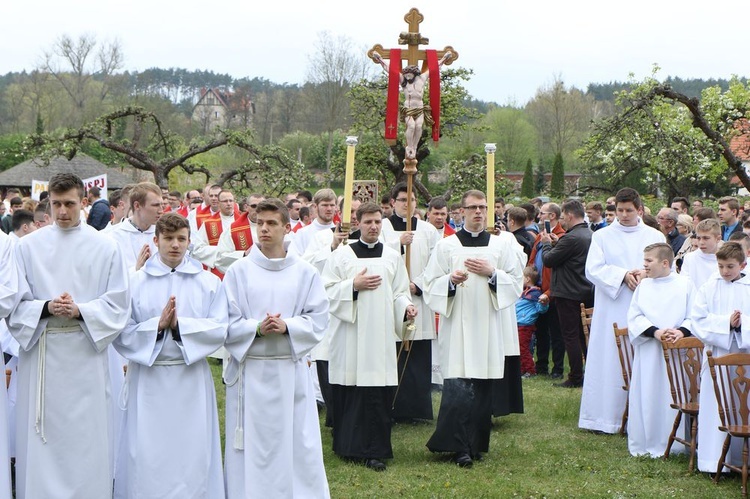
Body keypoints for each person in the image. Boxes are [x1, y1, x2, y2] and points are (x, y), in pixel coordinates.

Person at [8, 173, 130, 498]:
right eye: (57, 204)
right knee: (43, 436)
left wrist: (81, 311)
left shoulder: (106, 247)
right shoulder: (28, 247)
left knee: (85, 438)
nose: (63, 212)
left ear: (84, 202)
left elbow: (118, 304)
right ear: (49, 201)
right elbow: (15, 305)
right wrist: (47, 307)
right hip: (43, 352)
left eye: (70, 204)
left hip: (85, 354)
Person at [113, 213, 226, 499]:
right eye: (168, 239)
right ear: (156, 240)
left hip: (190, 378)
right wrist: (157, 326)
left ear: (190, 241)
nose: (175, 245)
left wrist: (180, 327)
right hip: (149, 378)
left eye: (181, 239)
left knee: (192, 448)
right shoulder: (135, 283)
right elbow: (121, 332)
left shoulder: (208, 283)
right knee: (148, 450)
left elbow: (220, 328)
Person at [223, 198, 330, 498]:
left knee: (297, 443)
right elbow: (226, 323)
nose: (264, 229)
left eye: (272, 224)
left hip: (289, 371)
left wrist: (289, 327)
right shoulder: (238, 272)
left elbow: (318, 319)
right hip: (251, 373)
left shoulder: (305, 272)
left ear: (287, 228)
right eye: (260, 223)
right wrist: (256, 328)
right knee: (253, 448)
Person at [423, 190, 525, 467]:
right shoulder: (447, 246)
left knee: (481, 384)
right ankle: (458, 446)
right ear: (462, 211)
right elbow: (430, 284)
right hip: (457, 324)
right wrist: (451, 282)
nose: (478, 212)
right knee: (457, 383)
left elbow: (516, 282)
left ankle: (476, 443)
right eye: (473, 208)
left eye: (483, 207)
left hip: (488, 324)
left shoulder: (500, 246)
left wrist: (492, 273)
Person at [323, 202, 415, 471]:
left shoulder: (391, 255)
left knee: (376, 392)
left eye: (377, 222)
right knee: (351, 389)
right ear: (358, 224)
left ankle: (375, 450)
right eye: (368, 222)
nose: (373, 226)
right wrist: (353, 285)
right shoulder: (341, 256)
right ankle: (347, 446)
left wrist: (406, 308)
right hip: (350, 335)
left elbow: (399, 292)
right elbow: (325, 291)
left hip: (380, 336)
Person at [579, 187, 665, 434]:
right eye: (620, 210)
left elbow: (664, 265)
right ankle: (604, 418)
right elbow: (593, 269)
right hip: (612, 304)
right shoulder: (602, 236)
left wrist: (643, 272)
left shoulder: (654, 235)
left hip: (646, 300)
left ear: (639, 209)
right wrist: (622, 275)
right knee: (609, 357)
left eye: (629, 210)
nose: (624, 215)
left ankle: (642, 417)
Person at [627, 243, 693, 458]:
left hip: (677, 352)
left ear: (665, 263)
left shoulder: (685, 285)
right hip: (649, 350)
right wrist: (655, 332)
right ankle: (646, 440)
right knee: (647, 394)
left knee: (672, 395)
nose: (644, 266)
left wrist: (681, 332)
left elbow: (695, 315)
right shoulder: (644, 287)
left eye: (648, 261)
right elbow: (635, 317)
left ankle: (674, 444)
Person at [381, 182, 440, 422]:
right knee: (393, 353)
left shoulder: (427, 230)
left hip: (418, 297)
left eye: (412, 200)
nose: (408, 204)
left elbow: (437, 262)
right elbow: (377, 255)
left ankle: (417, 410)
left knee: (417, 356)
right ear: (393, 202)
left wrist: (420, 284)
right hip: (392, 300)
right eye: (403, 200)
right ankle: (392, 407)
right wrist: (397, 243)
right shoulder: (383, 227)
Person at [692, 242, 750, 472]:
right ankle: (714, 460)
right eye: (721, 266)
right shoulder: (709, 286)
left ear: (743, 264)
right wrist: (725, 323)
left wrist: (743, 324)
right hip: (718, 353)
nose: (725, 271)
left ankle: (743, 458)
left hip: (746, 354)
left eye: (730, 267)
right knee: (718, 403)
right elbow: (697, 319)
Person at [540, 199, 594, 388]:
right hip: (585, 290)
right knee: (584, 336)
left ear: (570, 215)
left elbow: (548, 260)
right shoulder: (589, 234)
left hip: (568, 293)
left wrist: (546, 243)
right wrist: (558, 243)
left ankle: (576, 376)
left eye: (563, 216)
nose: (562, 220)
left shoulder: (571, 238)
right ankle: (592, 373)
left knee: (570, 336)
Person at [373, 51, 452, 159]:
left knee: (419, 127)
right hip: (409, 109)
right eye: (406, 75)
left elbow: (434, 69)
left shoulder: (422, 78)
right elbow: (391, 70)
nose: (407, 77)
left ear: (414, 73)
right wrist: (380, 59)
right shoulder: (403, 81)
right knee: (411, 126)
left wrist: (444, 59)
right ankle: (409, 146)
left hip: (419, 109)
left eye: (409, 75)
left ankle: (414, 147)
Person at [528, 202, 566, 379]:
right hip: (537, 290)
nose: (539, 216)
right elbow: (532, 260)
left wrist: (548, 293)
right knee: (540, 330)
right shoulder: (539, 237)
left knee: (556, 332)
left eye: (542, 213)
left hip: (554, 292)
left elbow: (559, 267)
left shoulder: (561, 237)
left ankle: (557, 368)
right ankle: (541, 365)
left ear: (552, 216)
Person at [108, 182, 164, 272]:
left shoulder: (164, 235)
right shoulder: (113, 237)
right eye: (156, 205)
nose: (161, 211)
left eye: (162, 205)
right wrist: (136, 270)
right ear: (137, 206)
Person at [191, 189, 238, 278]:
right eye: (225, 201)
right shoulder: (208, 224)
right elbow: (197, 249)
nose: (228, 203)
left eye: (231, 201)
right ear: (219, 203)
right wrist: (223, 252)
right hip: (216, 271)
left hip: (238, 269)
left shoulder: (243, 223)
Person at [515, 267, 548, 377]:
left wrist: (544, 303)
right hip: (519, 323)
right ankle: (522, 369)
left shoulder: (535, 294)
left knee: (523, 348)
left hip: (525, 325)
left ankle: (530, 370)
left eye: (522, 277)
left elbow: (541, 309)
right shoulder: (525, 292)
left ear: (528, 279)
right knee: (519, 347)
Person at [292, 188, 338, 256]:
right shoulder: (302, 234)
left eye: (332, 205)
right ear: (315, 206)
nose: (329, 209)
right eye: (325, 205)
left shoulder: (340, 234)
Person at [680, 218, 721, 289]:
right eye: (698, 238)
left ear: (718, 239)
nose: (701, 242)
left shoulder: (726, 259)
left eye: (706, 238)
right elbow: (684, 284)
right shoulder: (690, 258)